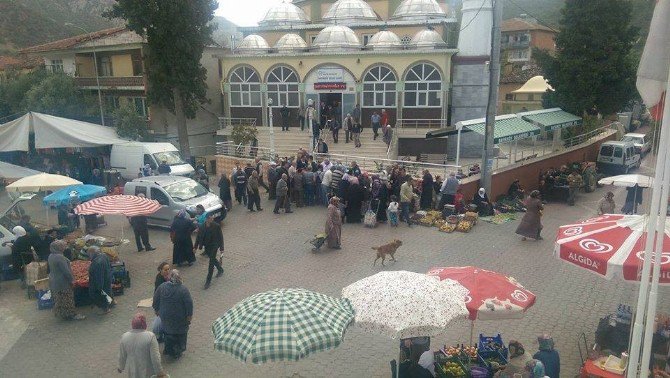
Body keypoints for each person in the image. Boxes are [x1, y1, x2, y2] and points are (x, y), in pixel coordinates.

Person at [153, 270, 193, 359]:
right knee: (180, 334)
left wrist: (157, 309)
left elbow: (155, 299)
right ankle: (178, 350)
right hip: (180, 317)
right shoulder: (183, 289)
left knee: (168, 332)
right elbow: (189, 304)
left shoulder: (162, 287)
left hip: (165, 316)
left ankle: (169, 349)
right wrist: (189, 316)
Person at [118, 313, 166, 378]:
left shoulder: (125, 337)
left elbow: (122, 355)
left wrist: (120, 367)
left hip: (133, 371)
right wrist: (160, 372)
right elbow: (155, 358)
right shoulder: (150, 336)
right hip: (148, 371)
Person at [48, 240, 85, 321]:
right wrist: (72, 280)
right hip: (62, 282)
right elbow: (66, 271)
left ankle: (63, 314)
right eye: (63, 246)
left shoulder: (51, 255)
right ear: (59, 247)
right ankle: (71, 315)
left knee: (59, 299)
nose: (64, 247)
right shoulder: (59, 257)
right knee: (67, 298)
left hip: (54, 281)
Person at [194, 213, 224, 290]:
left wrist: (221, 248)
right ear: (207, 219)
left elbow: (220, 237)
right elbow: (198, 237)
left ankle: (208, 281)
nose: (212, 219)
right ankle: (220, 269)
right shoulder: (202, 227)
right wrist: (195, 247)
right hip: (207, 247)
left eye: (212, 218)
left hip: (214, 245)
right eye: (211, 218)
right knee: (213, 259)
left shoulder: (216, 226)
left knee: (211, 263)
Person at [88, 246, 114, 314]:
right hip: (107, 278)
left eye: (89, 253)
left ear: (92, 253)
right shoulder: (104, 256)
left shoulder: (97, 263)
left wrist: (99, 287)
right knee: (109, 291)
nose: (89, 255)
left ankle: (105, 309)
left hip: (101, 282)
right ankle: (112, 303)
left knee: (99, 295)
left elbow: (99, 277)